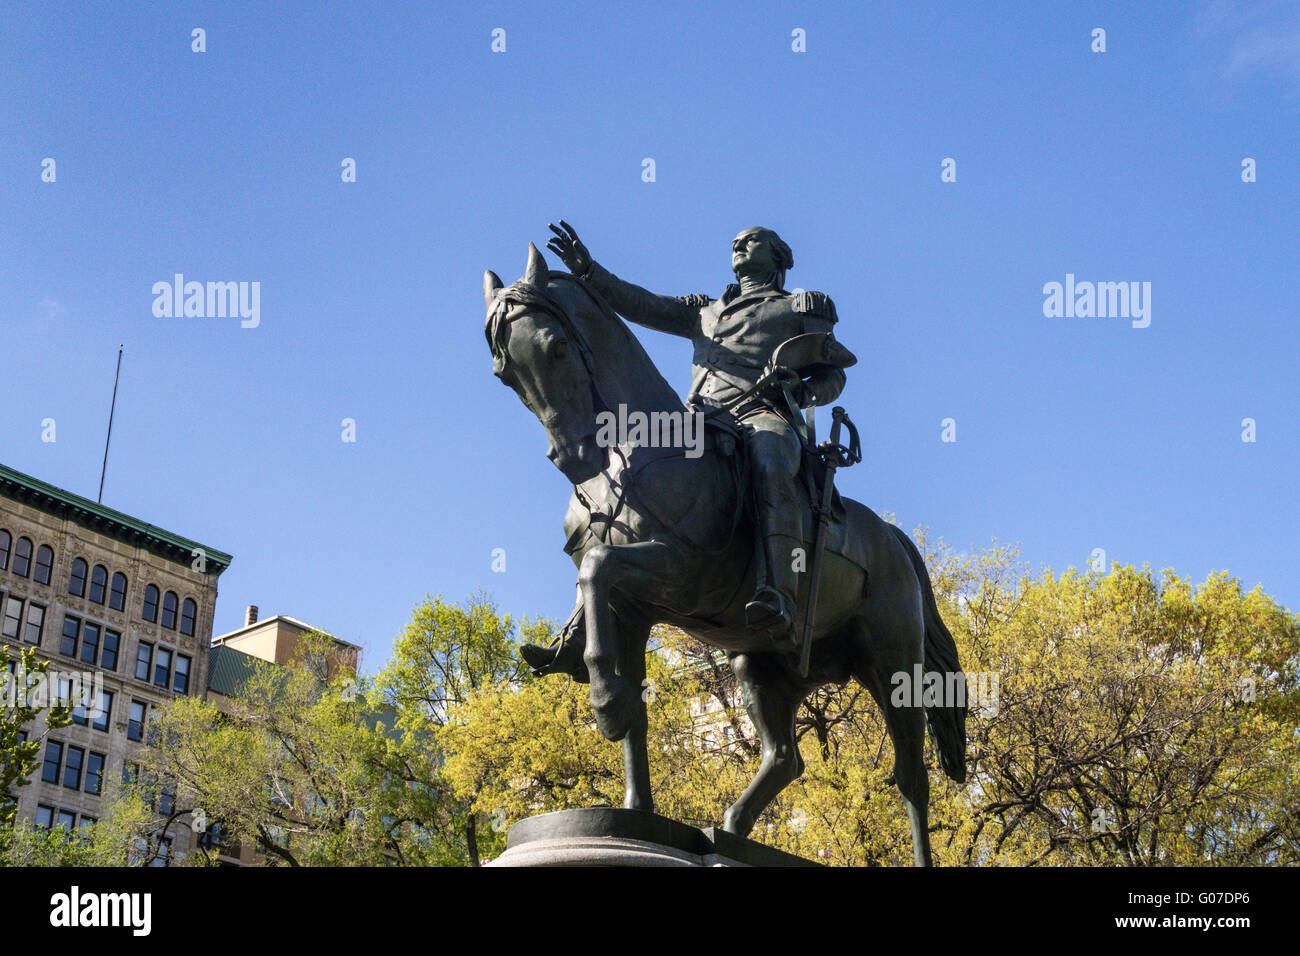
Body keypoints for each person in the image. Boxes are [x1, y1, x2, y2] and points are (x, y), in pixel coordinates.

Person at [545, 221, 852, 642]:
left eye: (751, 240)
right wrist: (588, 270)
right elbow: (642, 305)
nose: (739, 244)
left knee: (770, 459)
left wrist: (801, 390)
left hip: (761, 415)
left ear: (778, 255)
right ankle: (586, 616)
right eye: (735, 242)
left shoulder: (799, 307)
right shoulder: (704, 311)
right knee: (618, 456)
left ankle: (779, 592)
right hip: (700, 419)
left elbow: (833, 374)